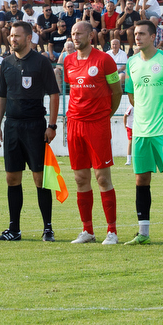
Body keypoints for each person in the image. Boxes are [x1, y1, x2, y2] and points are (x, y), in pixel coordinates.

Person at [118, 21, 163, 245]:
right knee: (141, 180)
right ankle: (143, 233)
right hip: (140, 132)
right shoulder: (131, 63)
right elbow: (132, 97)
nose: (137, 37)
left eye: (141, 34)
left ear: (153, 36)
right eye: (135, 34)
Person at [0, 20, 63, 240]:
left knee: (39, 179)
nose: (12, 39)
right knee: (12, 179)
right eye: (11, 36)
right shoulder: (6, 63)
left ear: (29, 38)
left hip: (35, 126)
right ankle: (14, 229)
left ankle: (48, 228)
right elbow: (1, 97)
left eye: (17, 36)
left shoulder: (41, 62)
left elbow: (54, 94)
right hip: (12, 126)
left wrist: (51, 125)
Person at [62, 19, 123, 244]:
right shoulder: (68, 61)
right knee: (80, 178)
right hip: (75, 123)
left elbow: (116, 92)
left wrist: (105, 114)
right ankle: (87, 230)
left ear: (90, 36)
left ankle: (112, 231)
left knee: (102, 178)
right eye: (72, 33)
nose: (75, 37)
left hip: (97, 124)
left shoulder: (105, 60)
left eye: (79, 33)